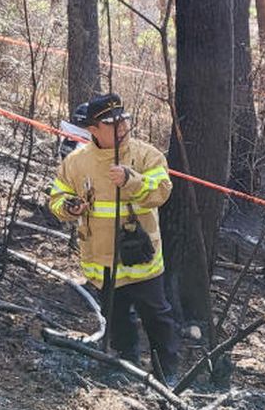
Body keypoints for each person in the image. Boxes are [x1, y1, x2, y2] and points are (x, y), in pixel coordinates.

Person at [48, 93, 180, 381]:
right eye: (112, 123)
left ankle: (166, 372)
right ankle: (125, 364)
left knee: (157, 316)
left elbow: (162, 191)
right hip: (101, 258)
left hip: (141, 258)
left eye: (124, 120)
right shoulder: (76, 162)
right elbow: (56, 198)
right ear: (93, 129)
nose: (122, 127)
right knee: (117, 316)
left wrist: (133, 181)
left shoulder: (146, 155)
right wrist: (70, 207)